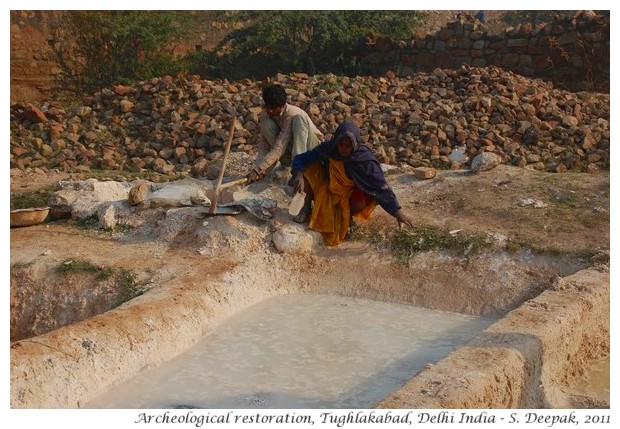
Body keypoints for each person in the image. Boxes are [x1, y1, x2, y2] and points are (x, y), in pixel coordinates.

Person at [290, 119, 414, 246]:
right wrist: (298, 174)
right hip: (328, 190)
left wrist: (397, 211)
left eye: (347, 146)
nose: (343, 149)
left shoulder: (365, 160)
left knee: (370, 194)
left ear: (354, 144)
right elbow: (302, 158)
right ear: (336, 142)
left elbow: (380, 187)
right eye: (341, 145)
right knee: (307, 169)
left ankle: (348, 216)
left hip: (350, 196)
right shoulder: (329, 149)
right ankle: (306, 208)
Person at [245, 83, 323, 184]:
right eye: (267, 106)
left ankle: (298, 171)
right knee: (266, 125)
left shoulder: (291, 113)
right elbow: (263, 146)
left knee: (299, 120)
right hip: (289, 151)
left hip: (312, 150)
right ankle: (289, 165)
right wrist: (258, 170)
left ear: (282, 105)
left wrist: (259, 170)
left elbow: (280, 146)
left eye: (273, 108)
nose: (270, 110)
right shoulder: (265, 114)